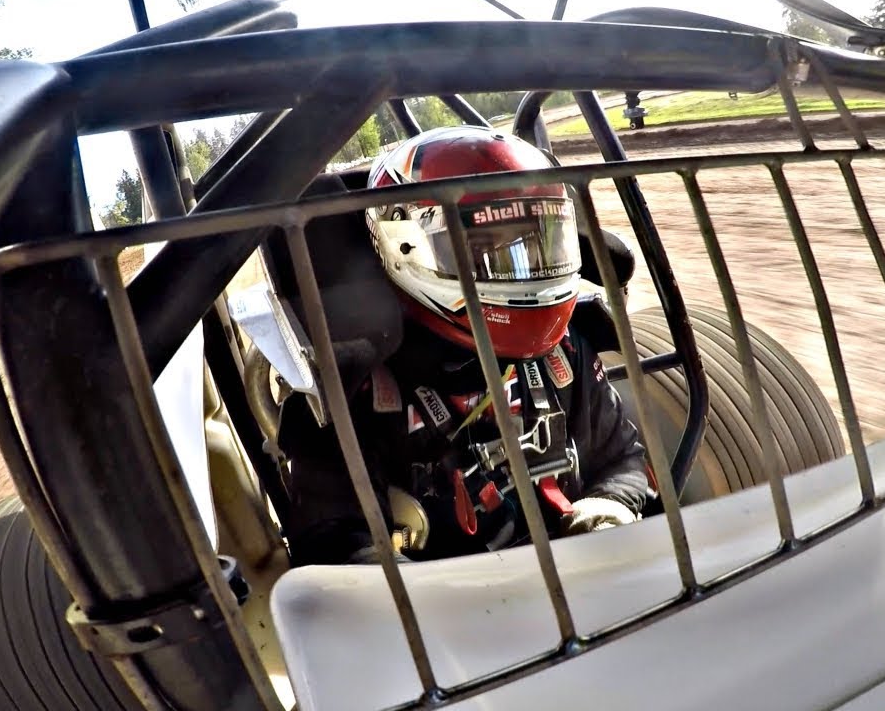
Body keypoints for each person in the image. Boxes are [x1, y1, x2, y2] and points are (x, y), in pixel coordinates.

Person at [279, 126, 654, 566]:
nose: (526, 272)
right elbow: (335, 542)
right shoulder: (352, 392)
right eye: (483, 252)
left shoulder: (565, 352)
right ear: (404, 247)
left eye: (536, 245)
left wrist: (609, 507)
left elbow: (624, 459)